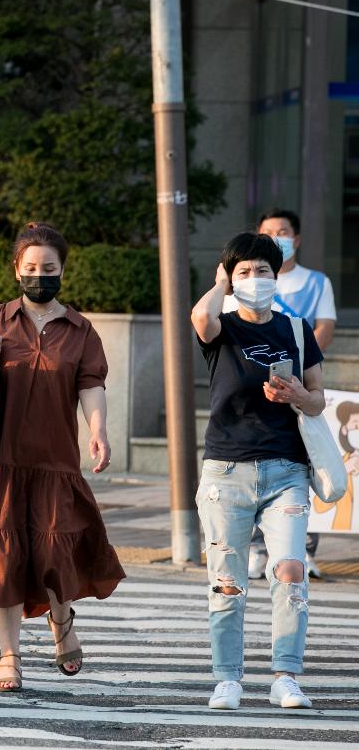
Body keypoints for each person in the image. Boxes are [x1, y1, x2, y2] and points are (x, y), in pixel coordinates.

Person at [0, 221, 124, 693]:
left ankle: (61, 617)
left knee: (53, 554)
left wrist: (99, 431)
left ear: (62, 270)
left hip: (54, 463)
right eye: (31, 267)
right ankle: (9, 657)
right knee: (2, 561)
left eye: (49, 267)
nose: (39, 274)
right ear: (16, 270)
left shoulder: (80, 330)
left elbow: (90, 385)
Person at [191, 231, 323, 712]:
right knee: (227, 579)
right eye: (244, 271)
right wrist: (223, 279)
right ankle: (227, 678)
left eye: (262, 270)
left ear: (276, 275)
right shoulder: (223, 326)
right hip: (226, 471)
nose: (254, 279)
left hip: (286, 469)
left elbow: (318, 397)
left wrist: (295, 396)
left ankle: (285, 675)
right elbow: (200, 317)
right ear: (230, 278)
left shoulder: (295, 328)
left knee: (289, 570)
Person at [223, 209, 337, 579]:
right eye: (269, 232)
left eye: (283, 232)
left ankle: (302, 549)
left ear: (296, 238)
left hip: (301, 378)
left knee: (310, 456)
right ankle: (258, 550)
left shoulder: (315, 282)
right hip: (246, 402)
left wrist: (298, 359)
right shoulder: (237, 287)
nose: (276, 237)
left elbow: (323, 327)